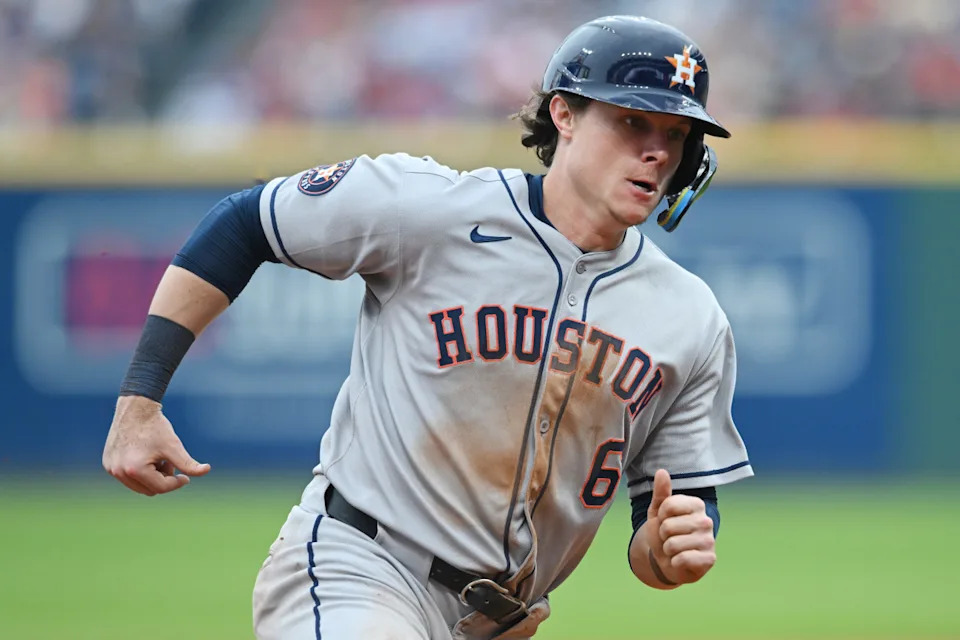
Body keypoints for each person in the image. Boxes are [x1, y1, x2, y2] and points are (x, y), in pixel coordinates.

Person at [103, 15, 752, 640]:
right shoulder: (432, 209)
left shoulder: (688, 317)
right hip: (362, 567)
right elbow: (249, 222)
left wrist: (670, 551)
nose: (655, 151)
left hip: (506, 620)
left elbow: (667, 524)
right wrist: (140, 401)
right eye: (632, 120)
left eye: (676, 134)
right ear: (566, 114)